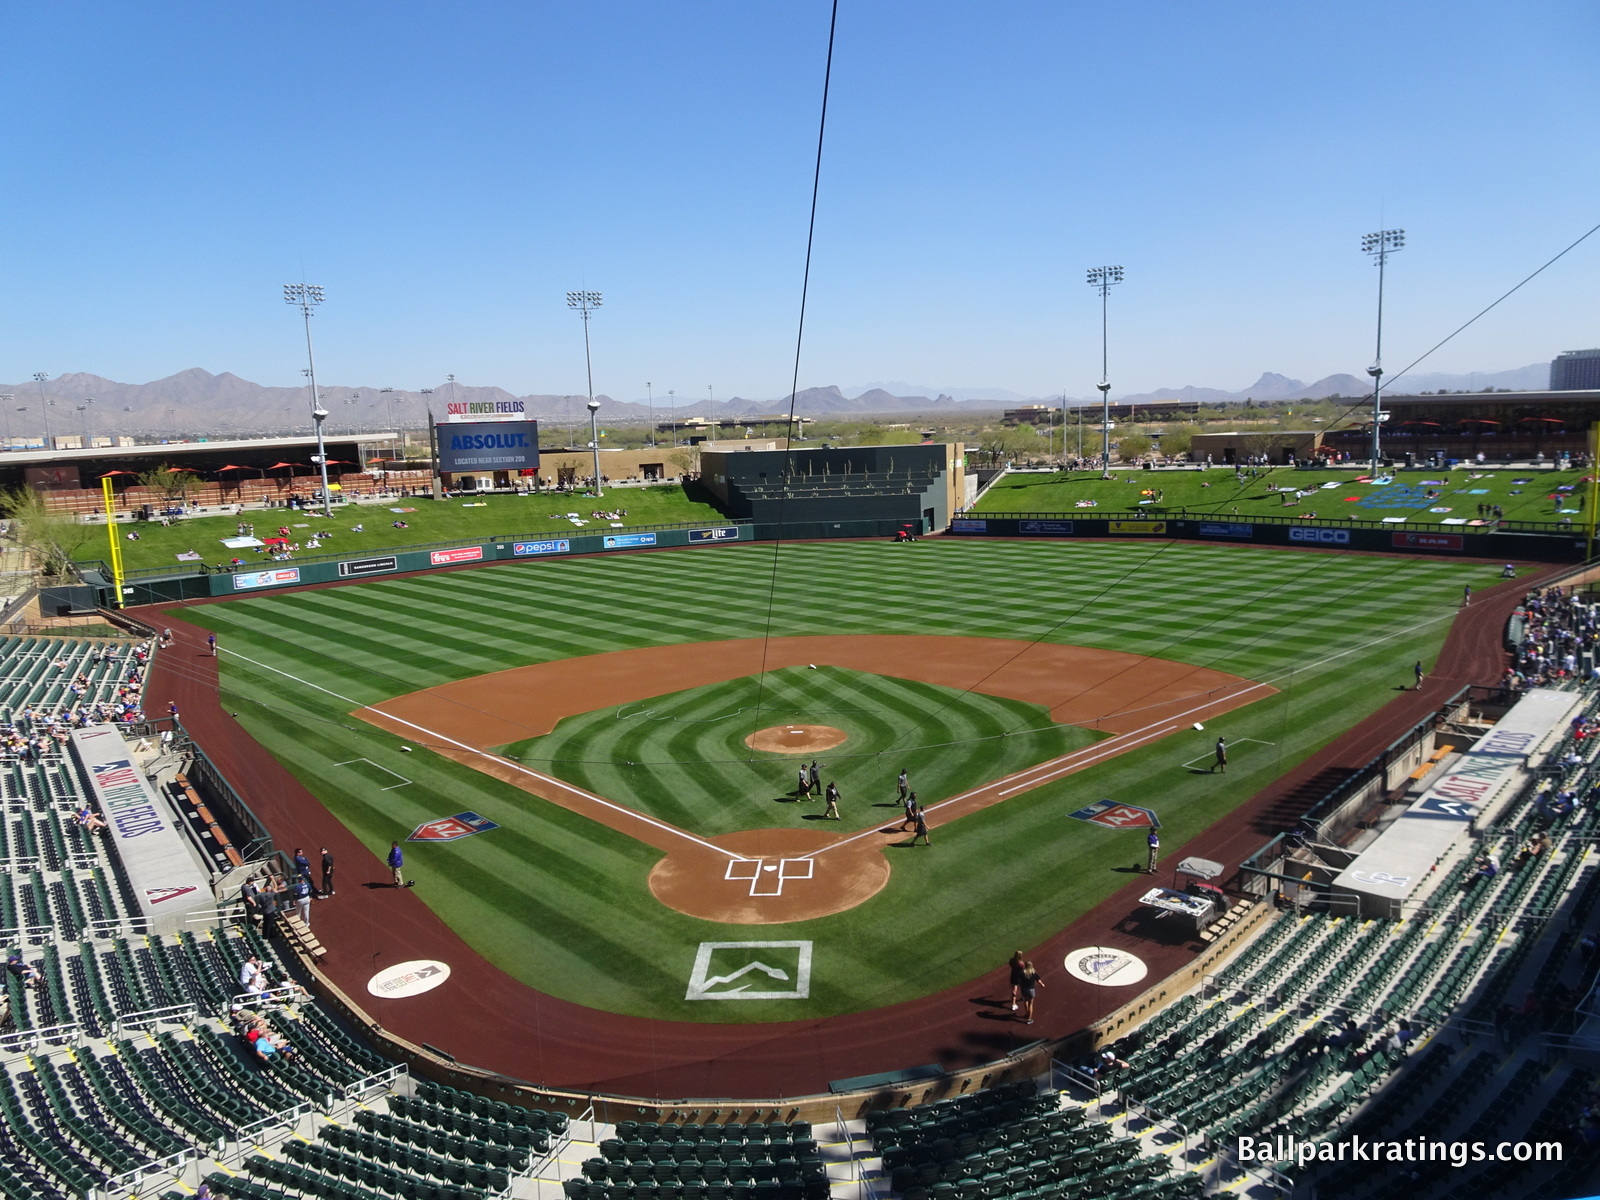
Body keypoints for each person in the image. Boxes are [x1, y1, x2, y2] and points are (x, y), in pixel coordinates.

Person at [1017, 960, 1042, 1024]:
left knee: (1026, 1001)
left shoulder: (1022, 972)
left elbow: (1019, 981)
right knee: (1031, 1004)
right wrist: (1042, 984)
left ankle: (1027, 1013)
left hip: (1024, 990)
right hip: (1031, 990)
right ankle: (1029, 1019)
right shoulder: (1033, 972)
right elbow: (1038, 979)